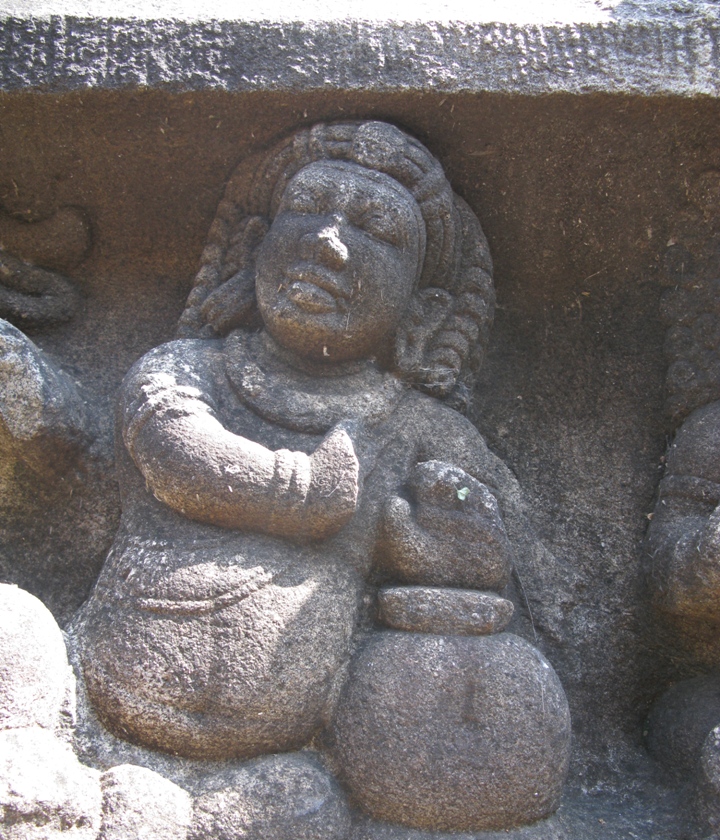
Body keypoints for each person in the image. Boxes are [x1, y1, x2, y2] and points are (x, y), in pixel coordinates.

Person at [75, 121, 559, 762]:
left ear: (423, 311)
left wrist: (457, 553)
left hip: (297, 753)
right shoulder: (186, 369)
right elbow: (177, 453)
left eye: (377, 232)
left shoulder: (424, 432)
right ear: (253, 250)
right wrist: (306, 492)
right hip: (111, 690)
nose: (327, 243)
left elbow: (526, 581)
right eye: (306, 208)